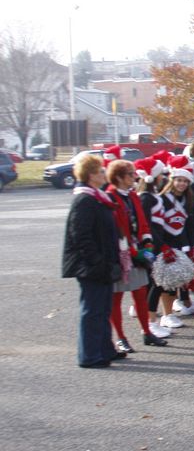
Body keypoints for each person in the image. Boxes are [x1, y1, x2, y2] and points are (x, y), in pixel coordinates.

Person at [62, 155, 127, 368]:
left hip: (104, 262)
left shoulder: (97, 197)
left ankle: (105, 349)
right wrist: (98, 262)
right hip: (91, 265)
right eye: (100, 171)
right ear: (91, 175)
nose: (104, 174)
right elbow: (81, 236)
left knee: (103, 308)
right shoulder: (84, 200)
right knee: (92, 310)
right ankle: (89, 355)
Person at [104, 159, 169, 351]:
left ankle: (146, 332)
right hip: (120, 253)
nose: (134, 177)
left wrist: (147, 244)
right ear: (119, 177)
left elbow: (142, 221)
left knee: (140, 293)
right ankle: (121, 338)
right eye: (130, 174)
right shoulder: (110, 197)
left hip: (137, 251)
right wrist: (130, 250)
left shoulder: (132, 196)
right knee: (116, 297)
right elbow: (113, 229)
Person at [158, 156, 194, 318]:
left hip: (187, 241)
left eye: (185, 181)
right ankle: (172, 312)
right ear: (172, 180)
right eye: (179, 180)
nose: (182, 184)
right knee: (172, 278)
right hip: (169, 244)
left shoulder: (189, 198)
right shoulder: (163, 199)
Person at [134, 157, 183, 331]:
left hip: (159, 243)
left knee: (157, 284)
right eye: (160, 174)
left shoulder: (152, 195)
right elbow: (146, 226)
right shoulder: (146, 198)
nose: (163, 177)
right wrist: (161, 245)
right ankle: (150, 323)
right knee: (154, 284)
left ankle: (156, 320)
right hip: (151, 246)